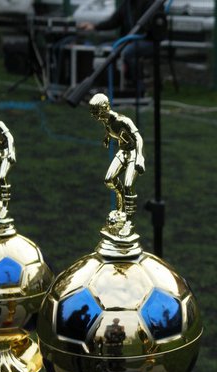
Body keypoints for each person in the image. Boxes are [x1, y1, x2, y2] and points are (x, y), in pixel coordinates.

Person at [89, 93, 145, 223]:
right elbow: (109, 129)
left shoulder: (123, 120)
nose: (97, 118)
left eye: (98, 114)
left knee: (128, 185)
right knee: (109, 180)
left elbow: (138, 137)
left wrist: (140, 156)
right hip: (123, 152)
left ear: (105, 108)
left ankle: (129, 221)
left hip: (133, 153)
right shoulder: (105, 120)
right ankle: (121, 205)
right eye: (95, 115)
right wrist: (107, 138)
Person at [78, 0, 157, 88]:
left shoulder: (150, 3)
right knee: (104, 49)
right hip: (127, 41)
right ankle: (110, 84)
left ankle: (137, 86)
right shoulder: (126, 5)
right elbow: (113, 22)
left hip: (147, 41)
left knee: (128, 51)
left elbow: (153, 24)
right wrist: (94, 26)